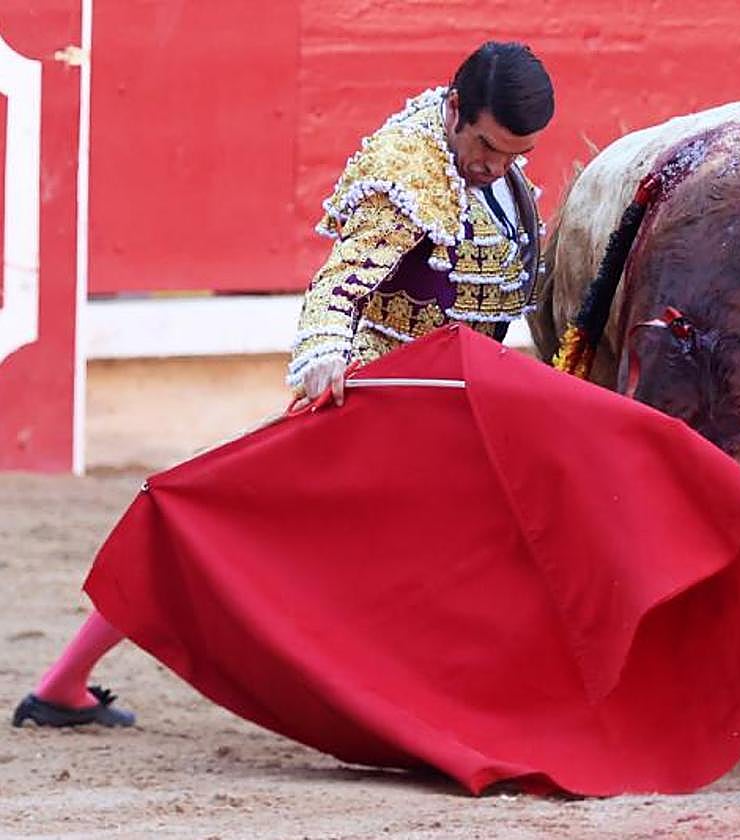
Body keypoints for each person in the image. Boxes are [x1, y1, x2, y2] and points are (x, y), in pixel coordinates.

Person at [12, 41, 554, 728]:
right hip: (378, 400)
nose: (497, 165)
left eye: (513, 153)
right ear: (454, 109)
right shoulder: (409, 172)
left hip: (452, 406)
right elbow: (339, 284)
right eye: (487, 146)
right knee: (211, 534)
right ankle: (62, 684)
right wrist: (327, 360)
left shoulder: (498, 177)